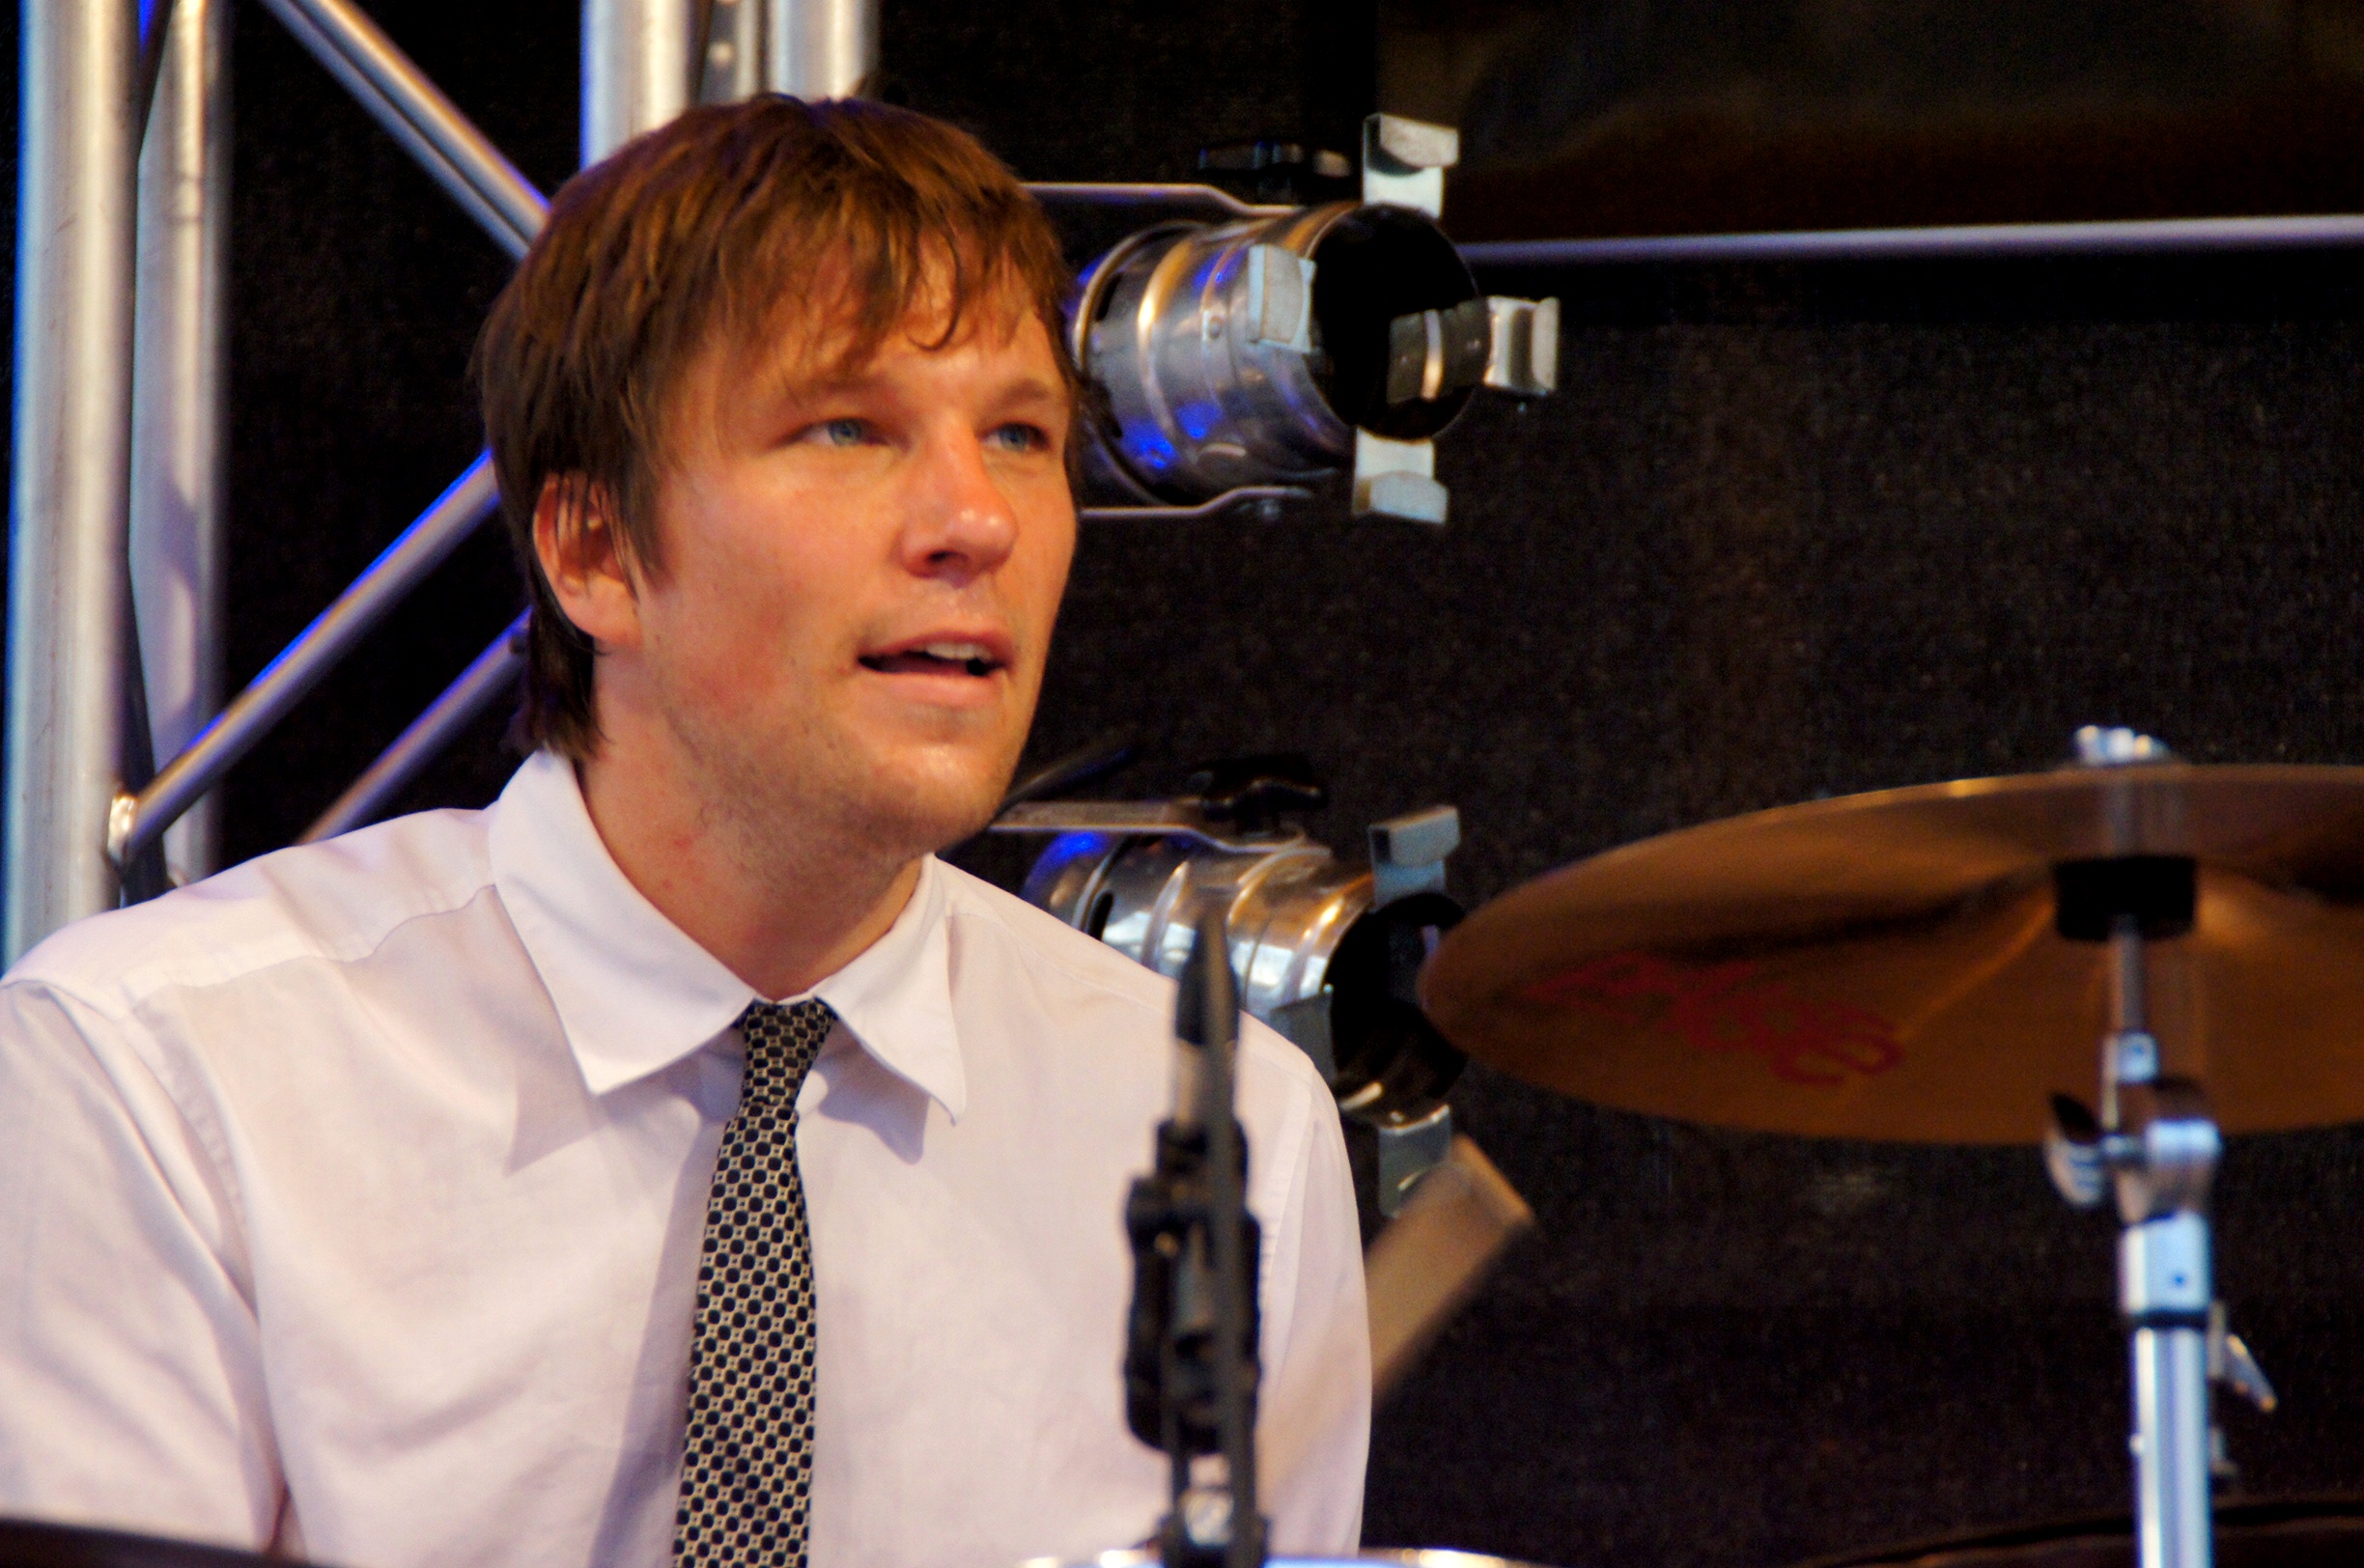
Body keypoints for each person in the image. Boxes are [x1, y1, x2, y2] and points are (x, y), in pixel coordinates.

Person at [0, 98, 1368, 1568]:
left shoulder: (1223, 1125)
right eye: (849, 428)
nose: (977, 521)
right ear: (593, 549)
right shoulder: (161, 1070)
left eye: (1021, 436)